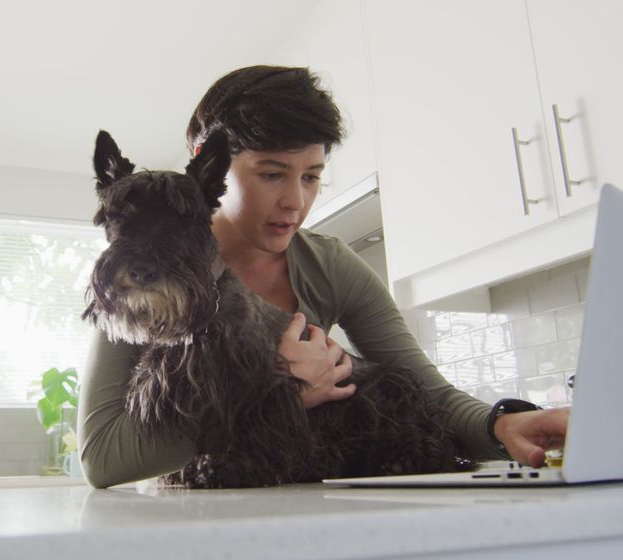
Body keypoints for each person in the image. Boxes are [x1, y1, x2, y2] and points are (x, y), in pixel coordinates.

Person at [78, 65, 569, 489]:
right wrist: (283, 392)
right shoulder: (139, 276)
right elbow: (102, 458)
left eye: (311, 176)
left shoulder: (328, 265)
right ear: (212, 163)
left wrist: (501, 424)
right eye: (272, 174)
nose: (295, 200)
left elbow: (424, 390)